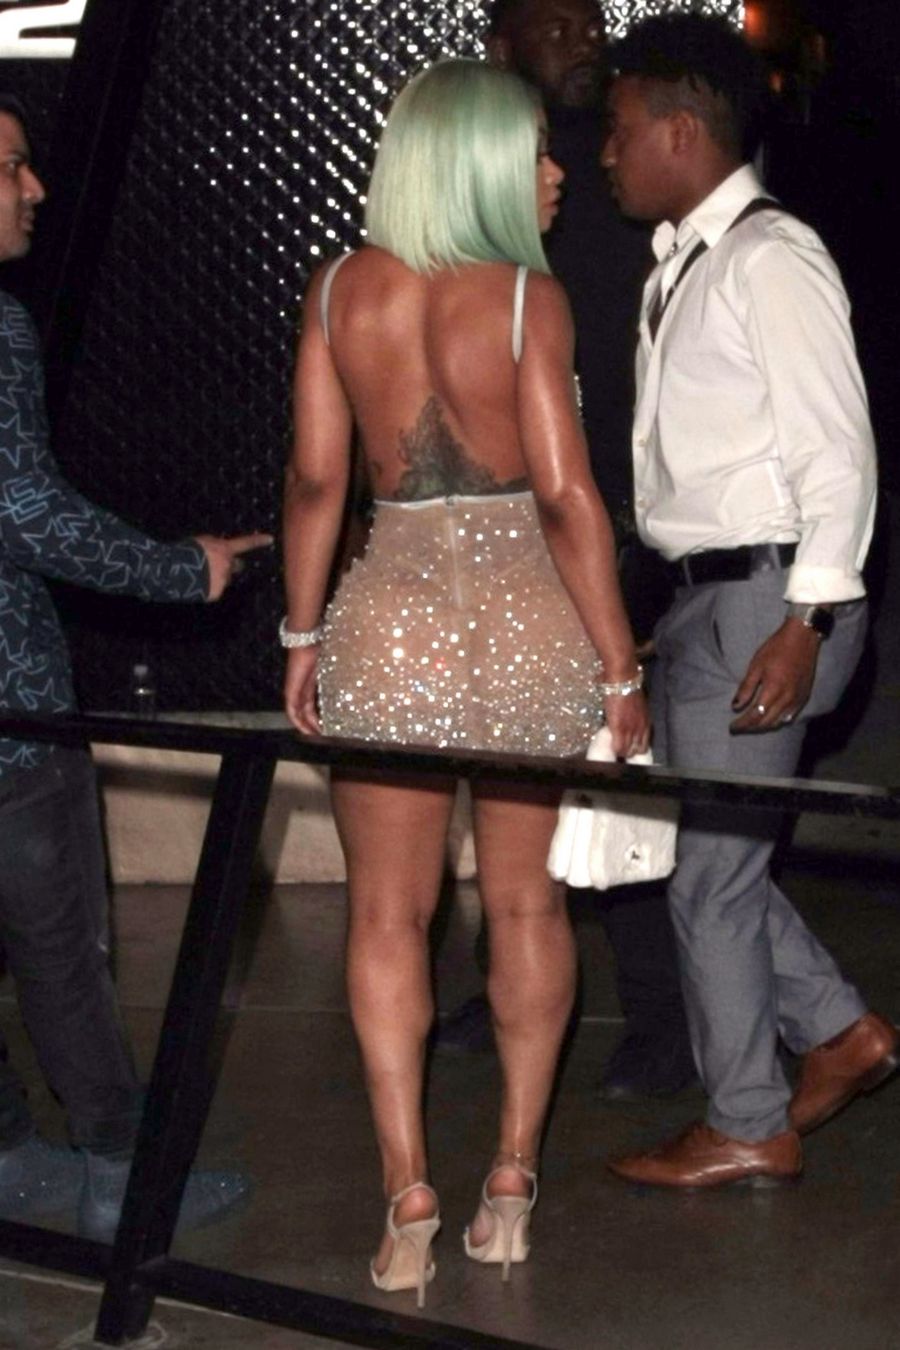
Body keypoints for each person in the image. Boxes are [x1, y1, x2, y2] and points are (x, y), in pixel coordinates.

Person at [283, 59, 648, 1301]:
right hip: (528, 624)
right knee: (528, 909)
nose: (557, 171)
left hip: (388, 624)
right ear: (479, 162)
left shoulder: (339, 290)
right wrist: (619, 668)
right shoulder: (528, 299)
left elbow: (319, 482)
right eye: (535, 151)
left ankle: (406, 1193)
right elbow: (566, 495)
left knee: (387, 917)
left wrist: (299, 636)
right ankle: (510, 1179)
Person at [598, 13, 896, 1189]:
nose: (607, 151)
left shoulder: (772, 257)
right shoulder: (689, 260)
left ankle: (747, 1121)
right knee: (715, 860)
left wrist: (805, 621)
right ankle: (840, 1031)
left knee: (710, 880)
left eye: (622, 129)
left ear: (682, 130)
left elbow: (841, 455)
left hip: (772, 598)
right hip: (714, 598)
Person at [0, 93, 271, 1237]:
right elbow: (23, 512)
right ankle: (123, 1175)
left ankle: (8, 1157)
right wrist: (182, 569)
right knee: (61, 948)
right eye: (11, 166)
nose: (35, 188)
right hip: (13, 713)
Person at [436, 0, 696, 1105]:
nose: (585, 41)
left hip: (616, 516)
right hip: (513, 520)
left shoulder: (618, 172)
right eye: (558, 28)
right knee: (515, 772)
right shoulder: (498, 186)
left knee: (614, 770)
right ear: (503, 50)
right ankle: (509, 981)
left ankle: (661, 1018)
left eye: (591, 23)